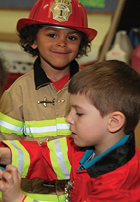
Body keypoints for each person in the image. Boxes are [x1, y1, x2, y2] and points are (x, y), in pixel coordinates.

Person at [0, 60, 140, 202]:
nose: (68, 119)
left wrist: (19, 199)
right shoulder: (84, 147)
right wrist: (5, 154)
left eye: (79, 113)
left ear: (114, 122)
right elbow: (45, 158)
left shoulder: (117, 188)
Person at [0, 0, 97, 199]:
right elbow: (6, 150)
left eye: (71, 37)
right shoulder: (16, 93)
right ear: (33, 40)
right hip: (28, 195)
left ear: (81, 45)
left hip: (81, 193)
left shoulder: (94, 90)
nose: (62, 43)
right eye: (52, 35)